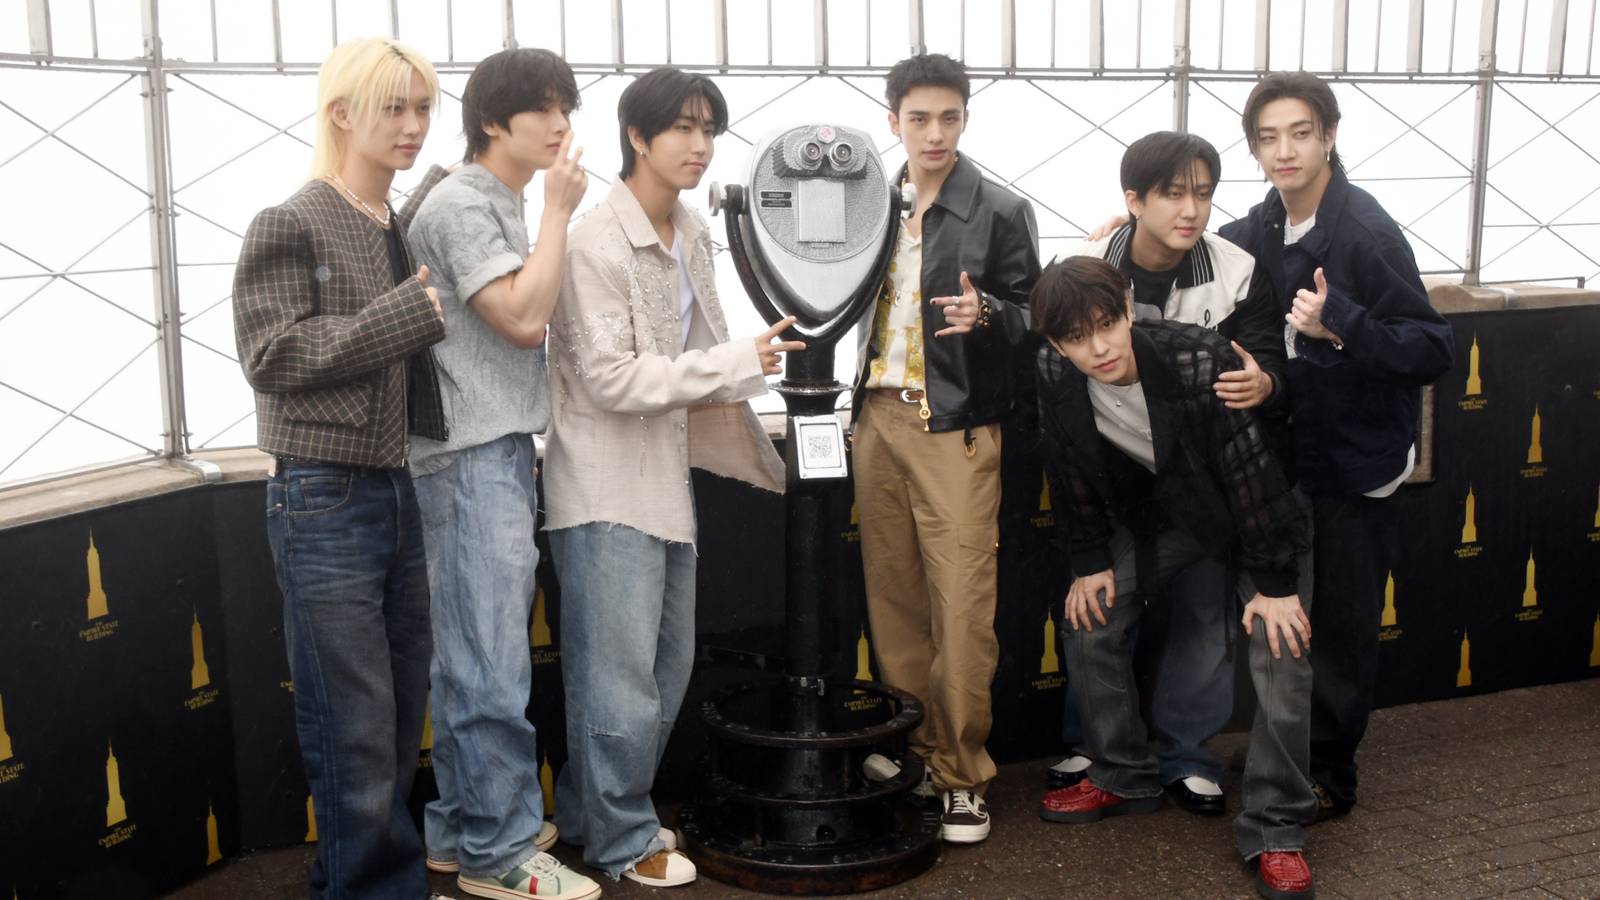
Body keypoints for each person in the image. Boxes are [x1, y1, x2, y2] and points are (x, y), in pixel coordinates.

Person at [543, 67, 802, 888]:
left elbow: (702, 350)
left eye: (709, 129)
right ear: (637, 138)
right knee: (618, 681)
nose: (699, 145)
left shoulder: (692, 229)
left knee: (662, 672)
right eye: (682, 128)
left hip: (667, 486)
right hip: (602, 488)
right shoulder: (593, 241)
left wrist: (745, 364)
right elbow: (611, 378)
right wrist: (738, 361)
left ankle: (592, 815)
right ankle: (622, 839)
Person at [233, 37, 447, 900]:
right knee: (355, 721)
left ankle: (361, 882)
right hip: (321, 492)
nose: (413, 125)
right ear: (341, 114)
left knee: (394, 717)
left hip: (393, 486)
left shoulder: (393, 220)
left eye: (423, 107)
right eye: (394, 107)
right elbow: (270, 353)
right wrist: (405, 316)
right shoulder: (290, 220)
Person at [1032, 256, 1315, 900]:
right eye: (1076, 337)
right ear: (1054, 343)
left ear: (1130, 309)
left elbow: (1250, 471)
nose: (1098, 347)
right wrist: (1088, 562)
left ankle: (1276, 830)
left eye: (1107, 324)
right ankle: (1121, 773)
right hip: (1173, 516)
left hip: (1259, 513)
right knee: (1091, 612)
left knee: (1283, 646)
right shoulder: (1054, 371)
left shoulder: (1195, 356)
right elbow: (1066, 466)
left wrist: (1274, 585)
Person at [1217, 72, 1454, 821]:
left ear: (1328, 136)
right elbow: (1197, 254)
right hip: (1290, 459)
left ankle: (1330, 776)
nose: (1283, 150)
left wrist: (1340, 320)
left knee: (1346, 628)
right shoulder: (1257, 226)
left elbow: (1430, 349)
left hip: (1356, 467)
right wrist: (1123, 232)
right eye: (1267, 137)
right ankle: (1283, 757)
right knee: (1286, 621)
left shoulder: (1365, 230)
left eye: (1299, 133)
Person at [1046, 131, 1287, 816]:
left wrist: (1262, 381)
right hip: (1120, 474)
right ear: (1133, 200)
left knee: (1204, 615)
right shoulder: (1087, 264)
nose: (1192, 210)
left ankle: (1188, 755)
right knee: (1094, 604)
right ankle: (1100, 750)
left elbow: (1268, 360)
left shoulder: (1236, 269)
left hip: (1209, 482)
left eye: (1204, 193)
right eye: (1174, 194)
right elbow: (1052, 378)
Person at [405, 48, 598, 900]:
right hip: (473, 452)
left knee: (469, 658)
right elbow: (523, 319)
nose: (561, 125)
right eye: (543, 110)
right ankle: (499, 853)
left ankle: (461, 827)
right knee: (488, 661)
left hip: (486, 449)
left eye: (567, 108)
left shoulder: (491, 201)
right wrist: (558, 211)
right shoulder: (464, 205)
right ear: (494, 121)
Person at [852, 52, 1041, 845]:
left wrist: (991, 313)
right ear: (892, 119)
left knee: (961, 607)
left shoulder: (997, 207)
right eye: (918, 117)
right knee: (894, 603)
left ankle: (963, 774)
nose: (934, 132)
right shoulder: (866, 201)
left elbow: (1043, 318)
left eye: (949, 117)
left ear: (965, 120)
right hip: (874, 417)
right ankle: (913, 747)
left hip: (956, 424)